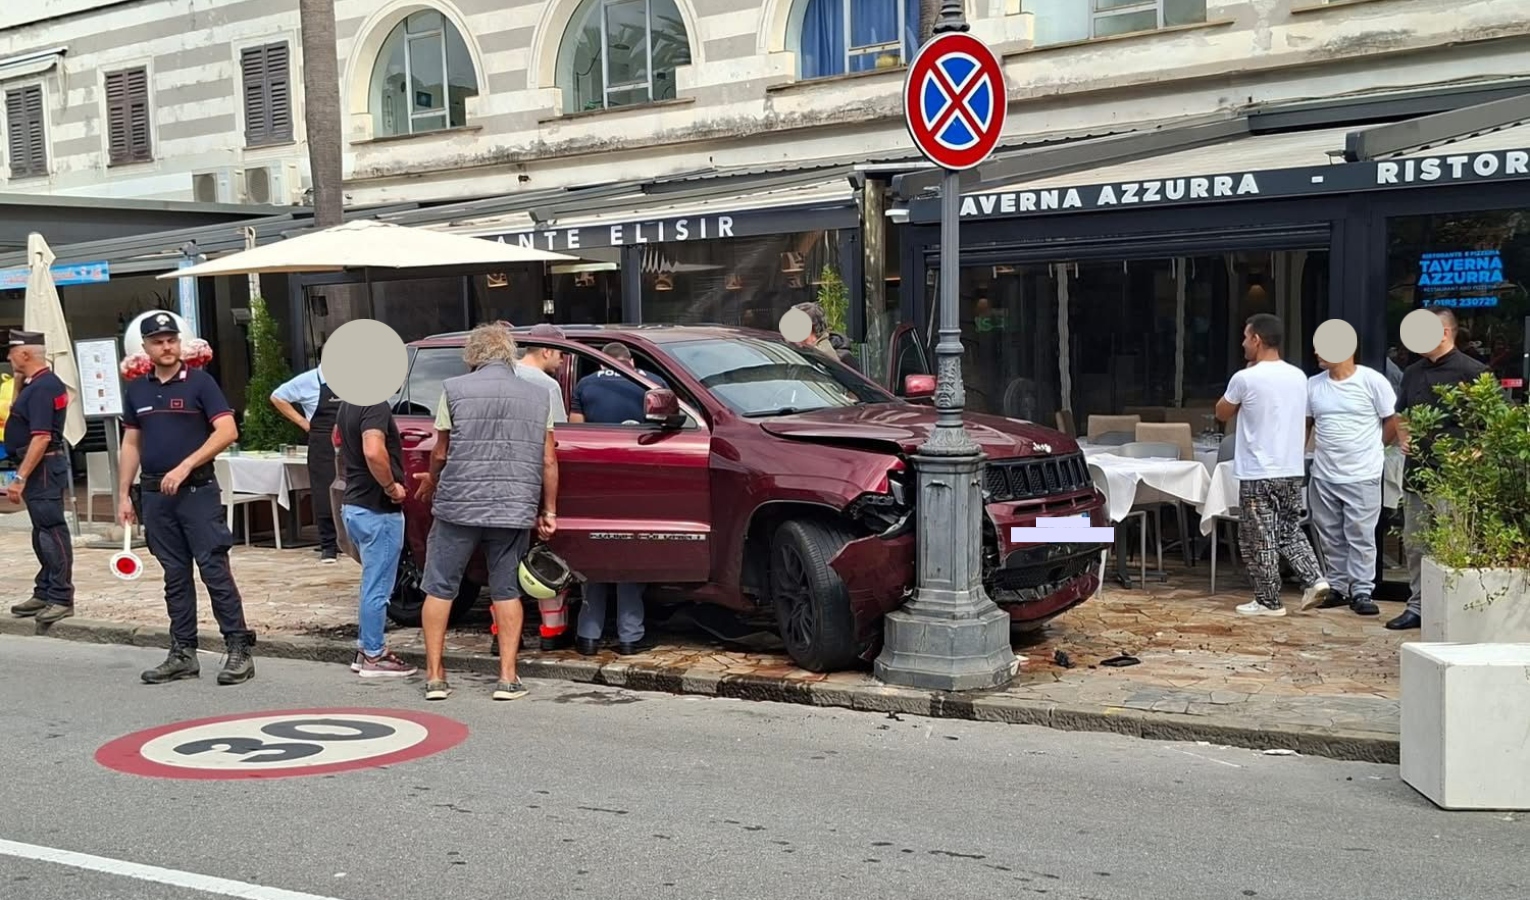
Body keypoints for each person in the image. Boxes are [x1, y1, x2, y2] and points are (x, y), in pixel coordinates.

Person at [413, 323, 557, 701]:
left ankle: (435, 676)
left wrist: (431, 480)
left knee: (441, 587)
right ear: (508, 352)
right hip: (513, 506)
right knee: (506, 590)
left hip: (459, 505)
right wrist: (549, 510)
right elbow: (548, 460)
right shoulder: (538, 395)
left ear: (473, 355)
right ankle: (508, 678)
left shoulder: (454, 389)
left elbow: (441, 451)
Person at [117, 312, 256, 685]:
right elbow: (131, 442)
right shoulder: (138, 391)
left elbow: (227, 431)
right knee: (175, 576)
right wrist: (123, 495)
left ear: (179, 342)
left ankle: (238, 648)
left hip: (196, 491)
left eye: (171, 340)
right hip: (154, 495)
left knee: (214, 569)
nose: (166, 347)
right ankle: (182, 652)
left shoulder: (200, 383)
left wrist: (185, 466)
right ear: (145, 347)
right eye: (158, 341)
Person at [1215, 313, 1332, 617]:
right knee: (1289, 531)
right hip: (1291, 468)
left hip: (1259, 470)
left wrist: (1242, 383)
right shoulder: (1298, 377)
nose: (1242, 343)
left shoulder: (1245, 378)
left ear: (1256, 339)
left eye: (1245, 337)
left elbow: (1222, 412)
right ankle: (1315, 579)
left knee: (1259, 536)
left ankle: (1268, 600)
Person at [1389, 307, 1488, 631]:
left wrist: (1468, 458)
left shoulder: (1472, 371)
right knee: (1416, 544)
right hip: (1417, 474)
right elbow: (1400, 414)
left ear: (1445, 332)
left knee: (1453, 543)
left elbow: (1489, 428)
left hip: (1453, 478)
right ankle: (1416, 606)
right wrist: (1403, 438)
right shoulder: (1413, 372)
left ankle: (1453, 609)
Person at [570, 342, 658, 655]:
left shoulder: (584, 384)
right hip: (637, 479)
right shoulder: (651, 382)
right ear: (630, 361)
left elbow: (574, 431)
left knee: (593, 555)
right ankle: (630, 637)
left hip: (593, 479)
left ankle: (588, 636)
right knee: (629, 555)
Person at [1306, 344, 1399, 617]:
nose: (1318, 353)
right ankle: (1338, 586)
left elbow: (1391, 421)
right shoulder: (1313, 385)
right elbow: (1308, 423)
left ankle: (1362, 590)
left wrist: (1375, 448)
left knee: (1361, 534)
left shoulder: (1372, 380)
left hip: (1363, 473)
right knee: (1330, 533)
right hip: (1324, 472)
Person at [336, 398, 416, 678]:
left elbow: (344, 443)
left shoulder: (349, 403)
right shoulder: (374, 404)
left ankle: (365, 649)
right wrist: (391, 486)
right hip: (377, 509)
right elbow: (372, 450)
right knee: (378, 586)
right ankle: (374, 654)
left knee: (371, 582)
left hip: (355, 505)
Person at [4, 330, 75, 624]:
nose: (8, 358)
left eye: (11, 352)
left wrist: (19, 478)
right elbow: (17, 413)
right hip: (39, 466)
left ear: (25, 354)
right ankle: (44, 590)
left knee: (51, 531)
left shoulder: (44, 387)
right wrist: (19, 382)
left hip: (43, 467)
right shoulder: (36, 385)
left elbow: (41, 437)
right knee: (41, 531)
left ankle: (60, 596)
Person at [269, 363, 342, 562]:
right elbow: (277, 396)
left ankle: (348, 541)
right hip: (321, 442)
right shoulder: (309, 380)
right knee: (324, 491)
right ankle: (328, 545)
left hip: (348, 441)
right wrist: (303, 423)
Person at [517, 324, 568, 423]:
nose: (562, 360)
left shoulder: (506, 371)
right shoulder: (549, 385)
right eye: (560, 354)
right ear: (547, 352)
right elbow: (559, 428)